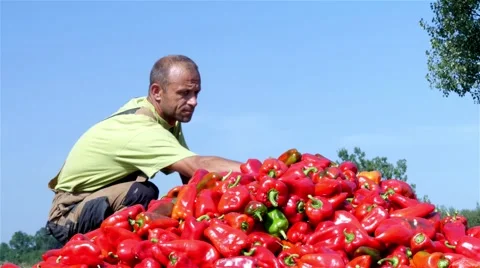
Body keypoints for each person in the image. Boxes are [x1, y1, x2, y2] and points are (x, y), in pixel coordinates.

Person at [45, 55, 243, 245]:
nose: (193, 101)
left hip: (92, 200)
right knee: (141, 193)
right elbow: (196, 165)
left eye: (196, 93)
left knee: (171, 199)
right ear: (157, 92)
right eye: (184, 93)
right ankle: (115, 252)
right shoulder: (139, 128)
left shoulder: (166, 117)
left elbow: (190, 176)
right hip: (67, 215)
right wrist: (261, 171)